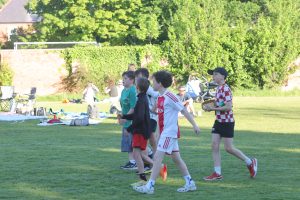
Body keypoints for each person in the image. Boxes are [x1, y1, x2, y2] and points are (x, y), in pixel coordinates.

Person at [133, 70, 200, 194]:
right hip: (165, 133)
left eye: (153, 81)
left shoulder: (171, 96)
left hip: (170, 132)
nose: (151, 83)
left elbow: (184, 111)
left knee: (158, 157)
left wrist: (195, 125)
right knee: (176, 158)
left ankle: (150, 186)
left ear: (160, 83)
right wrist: (158, 133)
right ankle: (190, 183)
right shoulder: (160, 96)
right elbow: (158, 114)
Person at [203, 67, 257, 181]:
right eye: (213, 74)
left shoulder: (226, 89)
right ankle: (217, 173)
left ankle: (250, 162)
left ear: (223, 76)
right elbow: (219, 104)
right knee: (214, 145)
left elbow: (228, 106)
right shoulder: (218, 88)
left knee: (229, 148)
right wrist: (210, 106)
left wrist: (212, 109)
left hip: (227, 122)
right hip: (218, 121)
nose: (213, 76)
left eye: (216, 74)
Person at [119, 77, 153, 183]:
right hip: (140, 130)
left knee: (138, 154)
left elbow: (139, 118)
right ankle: (143, 175)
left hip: (140, 131)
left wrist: (129, 128)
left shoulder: (141, 100)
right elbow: (136, 115)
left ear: (137, 87)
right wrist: (124, 116)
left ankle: (155, 168)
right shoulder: (141, 98)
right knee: (139, 154)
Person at [119, 71, 137, 170]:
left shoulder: (133, 90)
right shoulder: (123, 90)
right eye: (123, 78)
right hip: (126, 120)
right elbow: (123, 105)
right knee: (127, 142)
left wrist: (125, 118)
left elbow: (133, 107)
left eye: (125, 78)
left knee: (133, 142)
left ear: (131, 80)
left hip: (131, 120)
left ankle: (137, 161)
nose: (123, 80)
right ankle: (132, 162)